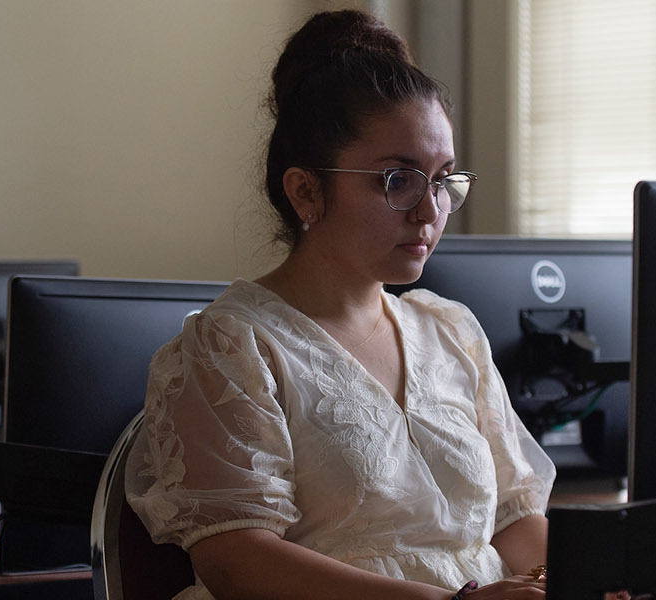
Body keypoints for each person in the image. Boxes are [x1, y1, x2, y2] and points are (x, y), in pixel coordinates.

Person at [123, 9, 556, 600]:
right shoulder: (234, 345)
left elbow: (515, 519)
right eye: (398, 180)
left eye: (442, 180)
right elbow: (238, 559)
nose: (429, 211)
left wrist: (591, 577)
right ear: (305, 190)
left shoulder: (449, 330)